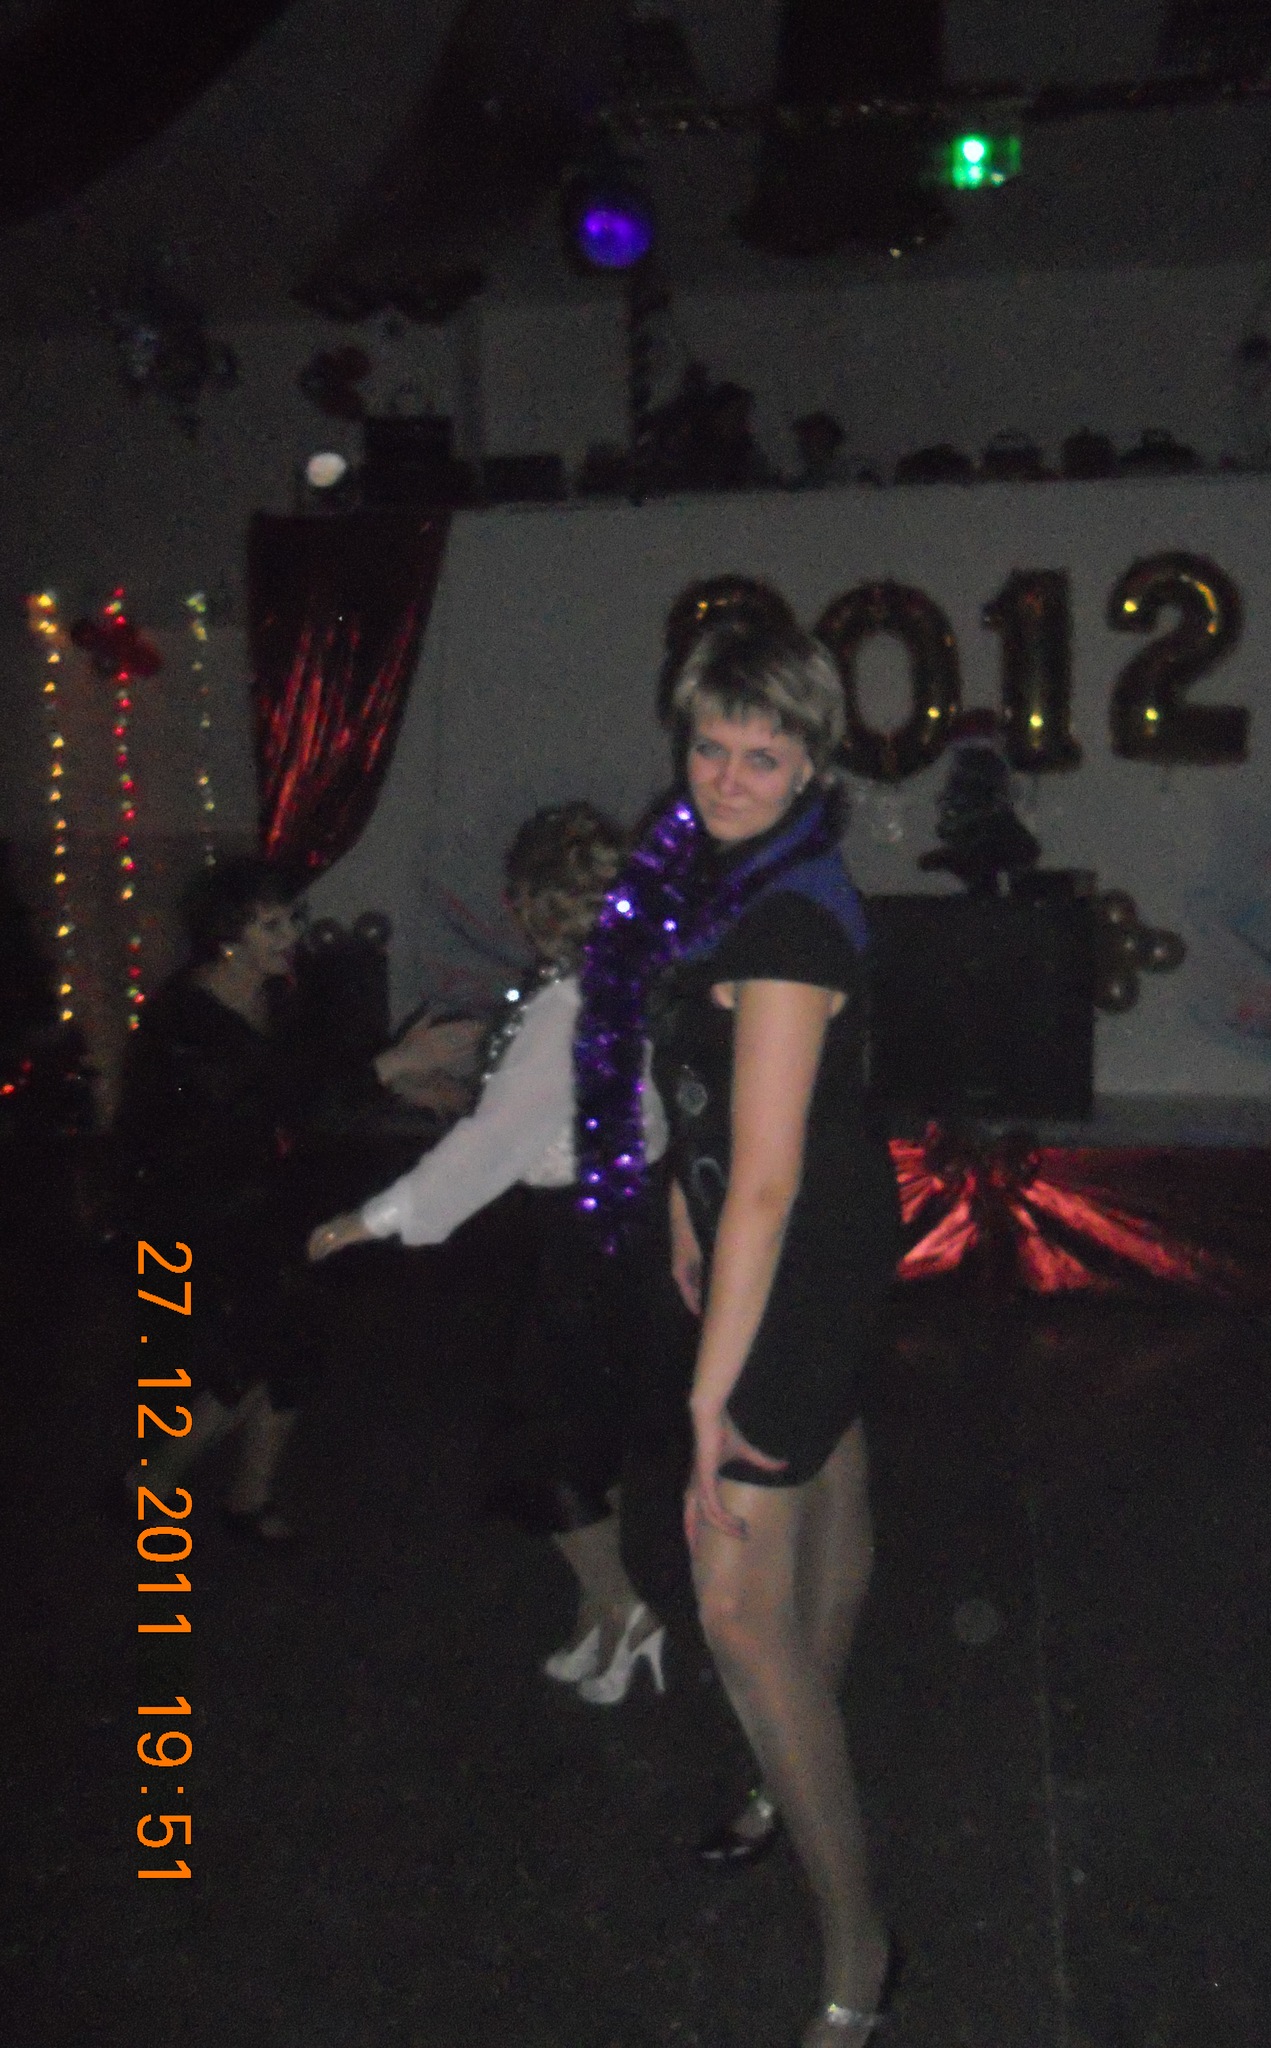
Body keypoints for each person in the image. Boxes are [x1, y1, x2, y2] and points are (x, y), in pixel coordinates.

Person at [605, 624, 902, 2045]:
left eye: (762, 756)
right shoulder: (741, 876)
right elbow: (712, 1090)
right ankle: (786, 1776)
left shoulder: (784, 921)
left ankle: (860, 1947)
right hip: (793, 1227)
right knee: (827, 1494)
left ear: (811, 764)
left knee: (733, 1602)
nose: (725, 777)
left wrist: (703, 1402)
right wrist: (683, 1185)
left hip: (798, 1253)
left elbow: (772, 1180)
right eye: (708, 748)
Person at [307, 804, 673, 1702]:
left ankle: (625, 1612)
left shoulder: (568, 1008)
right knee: (588, 1433)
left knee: (543, 1443)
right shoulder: (623, 986)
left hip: (582, 1238)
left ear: (529, 907)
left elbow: (492, 1145)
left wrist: (376, 1216)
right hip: (625, 1227)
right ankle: (599, 1623)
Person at [117, 857, 474, 1539]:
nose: (292, 937)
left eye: (292, 919)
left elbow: (318, 1080)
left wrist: (405, 1085)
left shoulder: (278, 998)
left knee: (296, 1342)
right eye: (273, 925)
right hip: (197, 1209)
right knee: (252, 1350)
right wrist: (393, 1066)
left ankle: (248, 1499)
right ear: (227, 936)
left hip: (269, 1194)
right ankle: (151, 1482)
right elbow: (268, 1104)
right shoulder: (185, 1021)